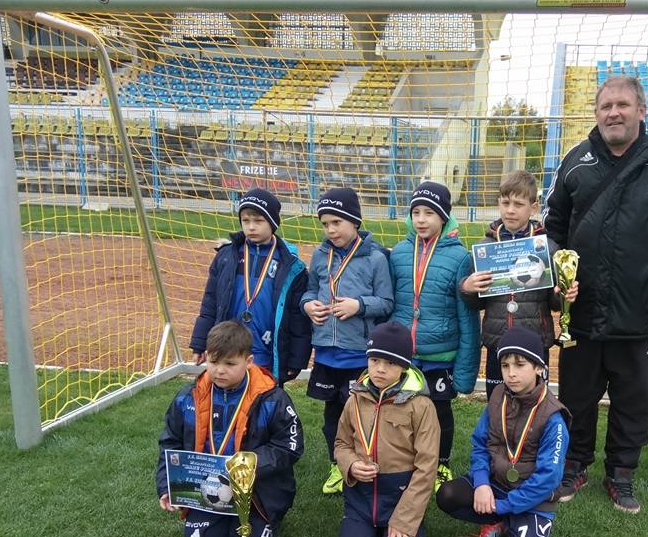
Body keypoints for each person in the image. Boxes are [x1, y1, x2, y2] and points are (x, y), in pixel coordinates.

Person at [542, 74, 648, 513]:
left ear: (641, 111)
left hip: (641, 313)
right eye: (606, 106)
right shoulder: (575, 160)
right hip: (582, 312)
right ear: (597, 113)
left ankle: (621, 473)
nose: (613, 113)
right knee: (576, 396)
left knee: (633, 400)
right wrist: (558, 282)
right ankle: (574, 465)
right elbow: (551, 228)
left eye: (622, 105)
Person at [156, 319, 302, 537]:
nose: (219, 370)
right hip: (206, 490)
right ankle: (220, 519)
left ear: (249, 361)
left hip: (257, 492)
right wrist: (166, 486)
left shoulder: (272, 399)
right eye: (214, 362)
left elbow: (291, 447)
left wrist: (250, 463)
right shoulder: (187, 397)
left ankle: (262, 520)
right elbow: (170, 443)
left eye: (230, 364)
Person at [436, 327, 570, 537]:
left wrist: (504, 506)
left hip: (533, 498)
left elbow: (548, 479)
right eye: (505, 365)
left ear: (539, 368)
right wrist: (482, 484)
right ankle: (499, 521)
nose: (511, 373)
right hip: (497, 484)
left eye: (520, 365)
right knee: (447, 495)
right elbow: (480, 444)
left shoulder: (553, 417)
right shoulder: (498, 396)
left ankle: (508, 520)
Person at [301, 186, 394, 495]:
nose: (330, 230)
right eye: (325, 224)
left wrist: (359, 305)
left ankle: (365, 462)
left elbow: (386, 302)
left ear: (354, 221)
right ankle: (337, 464)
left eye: (336, 222)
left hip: (358, 354)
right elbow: (310, 290)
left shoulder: (376, 258)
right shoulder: (320, 254)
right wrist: (308, 304)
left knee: (361, 414)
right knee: (332, 416)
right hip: (327, 352)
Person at [388, 180, 480, 491]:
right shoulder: (399, 253)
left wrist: (465, 371)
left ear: (444, 216)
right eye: (416, 212)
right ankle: (406, 461)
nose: (421, 219)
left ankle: (441, 463)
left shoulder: (460, 257)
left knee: (439, 411)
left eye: (429, 213)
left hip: (441, 354)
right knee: (402, 410)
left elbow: (467, 318)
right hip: (405, 355)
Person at [334, 322, 440, 537]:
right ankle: (370, 530)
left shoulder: (421, 406)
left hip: (400, 497)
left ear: (404, 366)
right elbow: (341, 444)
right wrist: (351, 465)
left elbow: (427, 466)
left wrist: (404, 519)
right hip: (361, 498)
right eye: (375, 360)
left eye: (390, 363)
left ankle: (408, 526)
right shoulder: (355, 399)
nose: (380, 369)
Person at [460, 169, 578, 399]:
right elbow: (476, 303)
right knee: (498, 401)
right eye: (505, 203)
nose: (510, 210)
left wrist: (564, 295)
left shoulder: (547, 247)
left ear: (533, 207)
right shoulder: (485, 248)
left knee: (535, 402)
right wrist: (468, 288)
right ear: (498, 204)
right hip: (498, 342)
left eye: (518, 204)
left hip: (534, 341)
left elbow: (555, 303)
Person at [190, 187, 312, 387]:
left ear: (272, 223)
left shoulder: (291, 265)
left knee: (265, 399)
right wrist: (199, 342)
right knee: (228, 397)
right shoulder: (226, 257)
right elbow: (210, 302)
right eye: (245, 221)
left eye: (258, 221)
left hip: (266, 351)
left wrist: (297, 358)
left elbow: (298, 316)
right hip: (228, 349)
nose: (251, 227)